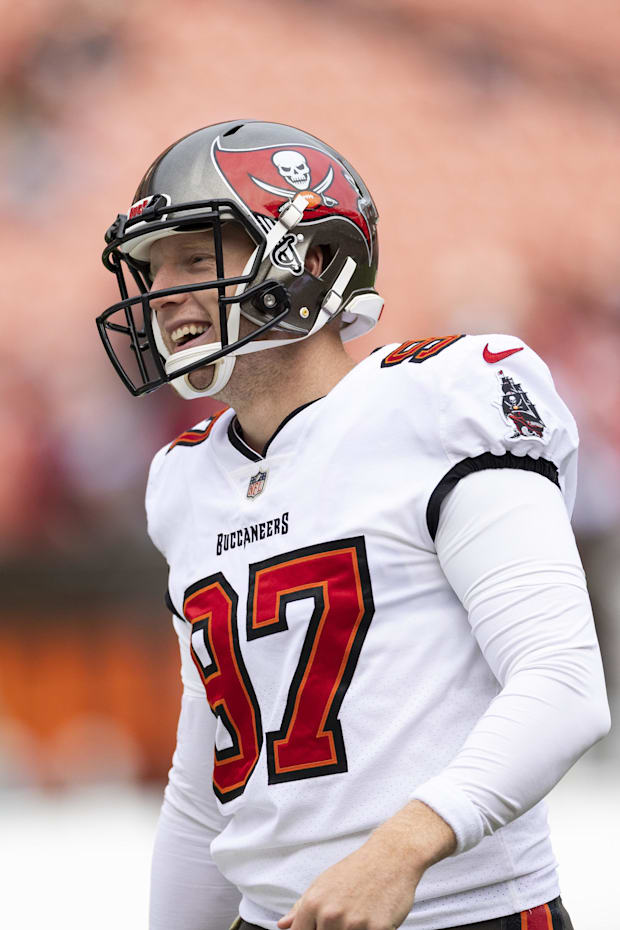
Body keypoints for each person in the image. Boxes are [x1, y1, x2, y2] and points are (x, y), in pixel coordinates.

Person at [97, 120, 610, 930]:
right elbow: (204, 796)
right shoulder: (186, 480)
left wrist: (399, 850)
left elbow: (564, 684)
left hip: (462, 914)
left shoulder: (442, 401)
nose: (167, 293)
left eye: (196, 259)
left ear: (306, 259)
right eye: (155, 266)